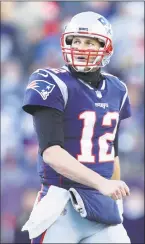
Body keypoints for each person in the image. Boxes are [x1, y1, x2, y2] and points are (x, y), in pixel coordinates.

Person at [22, 12, 131, 243]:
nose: (81, 47)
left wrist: (115, 197)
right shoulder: (52, 81)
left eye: (89, 42)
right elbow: (51, 153)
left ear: (105, 47)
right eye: (76, 41)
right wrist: (102, 183)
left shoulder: (117, 88)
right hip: (60, 206)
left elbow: (112, 154)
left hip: (102, 207)